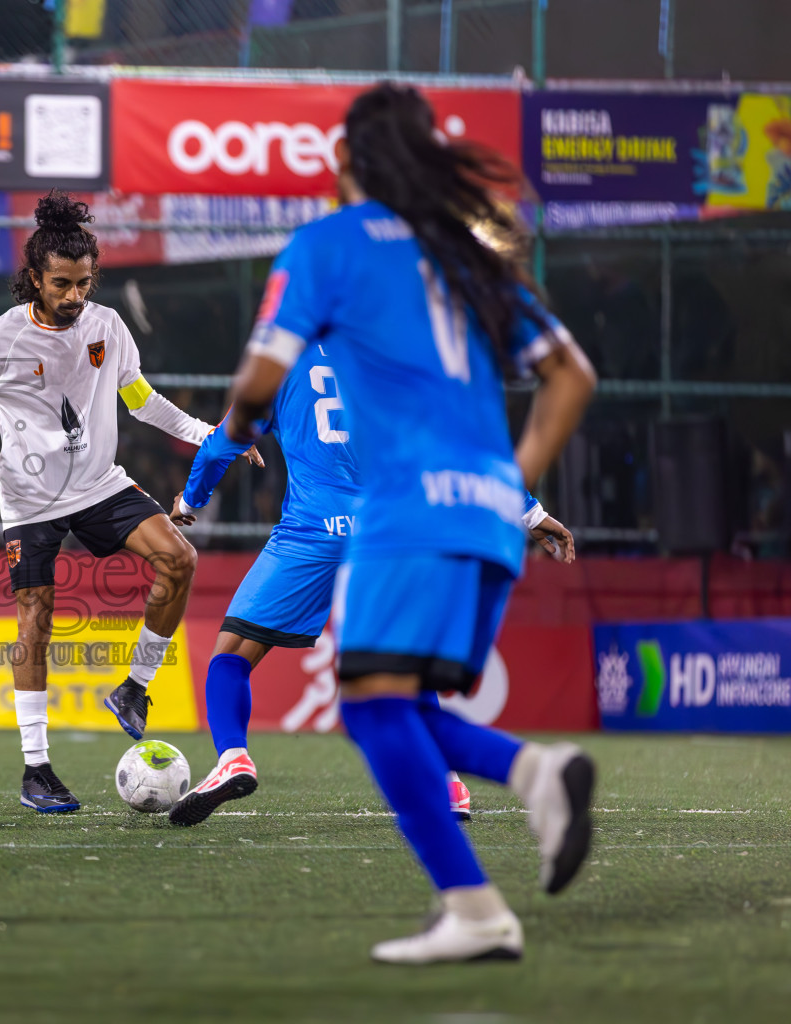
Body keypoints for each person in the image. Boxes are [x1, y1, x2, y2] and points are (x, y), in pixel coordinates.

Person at [214, 83, 597, 964]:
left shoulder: (328, 246)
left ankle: (486, 880)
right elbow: (571, 376)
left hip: (405, 513)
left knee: (371, 707)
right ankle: (521, 805)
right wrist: (510, 485)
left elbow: (256, 386)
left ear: (344, 160)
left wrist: (236, 430)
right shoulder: (468, 252)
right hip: (489, 522)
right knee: (399, 699)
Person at [0, 191, 255, 813]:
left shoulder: (107, 327)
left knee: (180, 559)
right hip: (32, 500)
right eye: (61, 284)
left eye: (83, 284)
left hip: (99, 485)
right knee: (35, 619)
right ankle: (36, 769)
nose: (74, 296)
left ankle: (134, 689)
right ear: (34, 278)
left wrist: (214, 436)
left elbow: (142, 401)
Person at [165, 338, 575, 829]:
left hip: (313, 532)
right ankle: (447, 782)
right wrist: (531, 512)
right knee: (405, 668)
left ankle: (233, 757)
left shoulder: (279, 362)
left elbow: (219, 446)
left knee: (231, 653)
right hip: (389, 534)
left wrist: (190, 502)